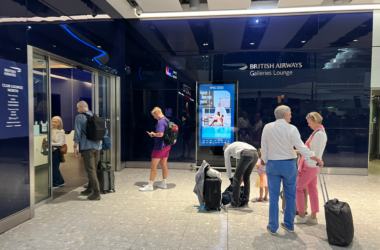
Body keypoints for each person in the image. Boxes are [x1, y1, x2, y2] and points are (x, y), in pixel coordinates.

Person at [261, 105, 324, 235]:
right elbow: (301, 147)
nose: (291, 116)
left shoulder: (267, 127)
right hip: (289, 165)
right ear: (285, 115)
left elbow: (264, 147)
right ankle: (289, 225)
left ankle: (273, 227)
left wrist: (266, 162)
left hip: (273, 164)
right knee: (290, 195)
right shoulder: (292, 128)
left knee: (273, 196)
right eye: (290, 114)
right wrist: (316, 158)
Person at [295, 112, 327, 224]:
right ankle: (313, 216)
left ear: (316, 121)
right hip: (312, 166)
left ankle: (301, 215)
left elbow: (315, 153)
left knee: (298, 188)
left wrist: (306, 156)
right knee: (312, 189)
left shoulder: (319, 134)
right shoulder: (318, 132)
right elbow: (311, 151)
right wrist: (299, 151)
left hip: (310, 166)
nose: (308, 125)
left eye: (309, 122)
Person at [74, 101, 102, 201]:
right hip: (97, 147)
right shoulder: (96, 116)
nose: (77, 110)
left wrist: (75, 147)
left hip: (87, 147)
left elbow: (77, 133)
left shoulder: (80, 117)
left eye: (78, 108)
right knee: (93, 169)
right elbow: (105, 131)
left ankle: (96, 193)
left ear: (81, 107)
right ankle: (90, 188)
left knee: (90, 170)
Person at [140, 107, 171, 191]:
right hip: (167, 145)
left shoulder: (160, 121)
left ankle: (150, 185)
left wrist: (153, 134)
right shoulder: (166, 120)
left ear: (157, 113)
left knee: (153, 165)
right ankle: (164, 183)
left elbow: (160, 134)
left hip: (159, 147)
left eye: (154, 116)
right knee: (164, 164)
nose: (154, 117)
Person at [223, 142, 259, 208]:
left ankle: (234, 203)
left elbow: (227, 164)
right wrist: (241, 175)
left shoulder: (227, 149)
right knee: (246, 177)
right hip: (255, 154)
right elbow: (239, 164)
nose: (231, 156)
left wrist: (230, 178)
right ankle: (245, 201)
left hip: (246, 154)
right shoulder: (236, 147)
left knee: (236, 178)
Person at [49, 116, 65, 189]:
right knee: (54, 167)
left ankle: (55, 183)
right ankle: (61, 181)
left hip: (56, 151)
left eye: (56, 122)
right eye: (53, 121)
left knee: (54, 168)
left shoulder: (61, 131)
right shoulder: (50, 130)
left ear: (59, 123)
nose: (54, 123)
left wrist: (50, 144)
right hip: (51, 151)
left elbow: (61, 143)